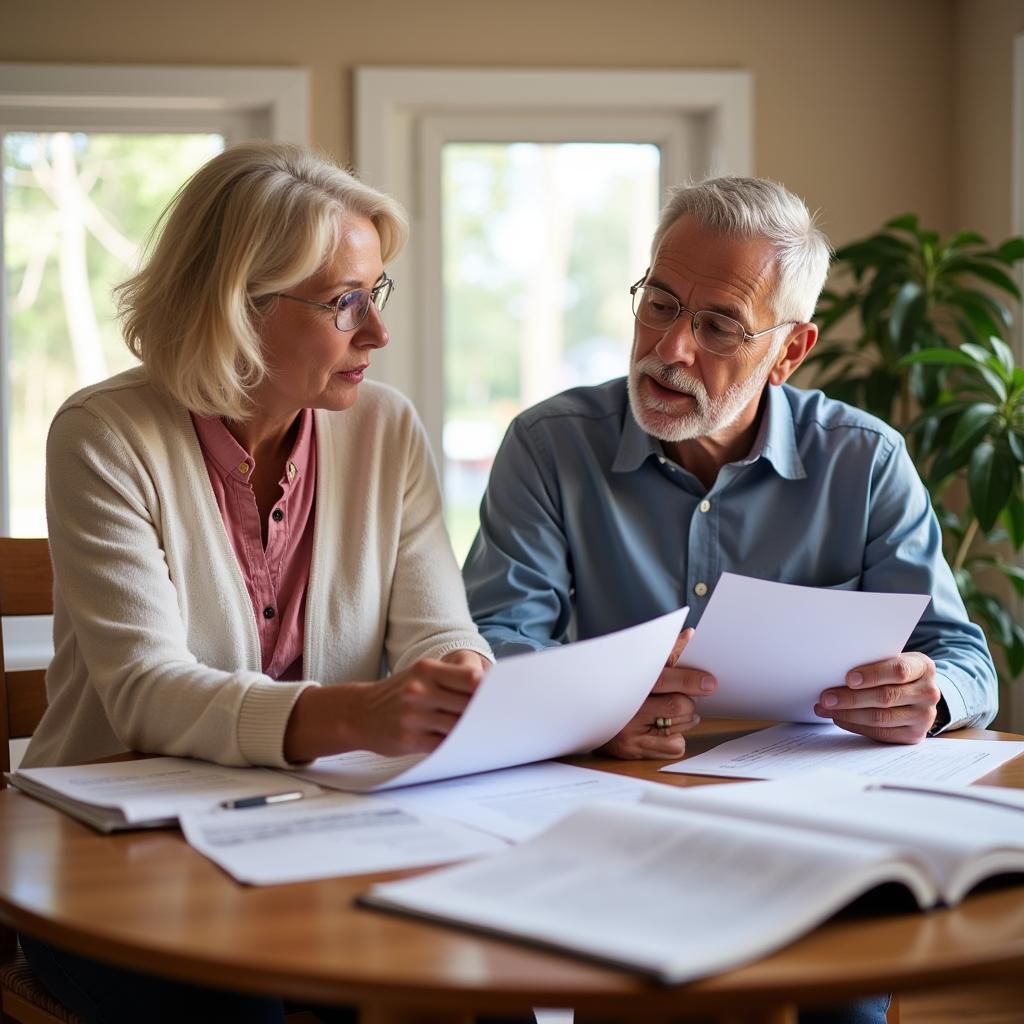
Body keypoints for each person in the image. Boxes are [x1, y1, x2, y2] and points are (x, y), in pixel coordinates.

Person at [463, 177, 998, 1024]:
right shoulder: (549, 446)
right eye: (660, 304)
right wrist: (593, 710)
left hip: (819, 832)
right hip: (619, 821)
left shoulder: (864, 459)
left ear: (790, 351)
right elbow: (492, 642)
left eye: (718, 325)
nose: (670, 349)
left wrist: (928, 698)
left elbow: (965, 659)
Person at [20, 142, 493, 1024]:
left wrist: (456, 672)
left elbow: (437, 630)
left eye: (375, 294)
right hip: (109, 857)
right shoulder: (104, 435)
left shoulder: (388, 430)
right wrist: (358, 713)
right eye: (346, 303)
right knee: (246, 1012)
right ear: (237, 309)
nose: (378, 333)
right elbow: (145, 696)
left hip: (318, 836)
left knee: (477, 982)